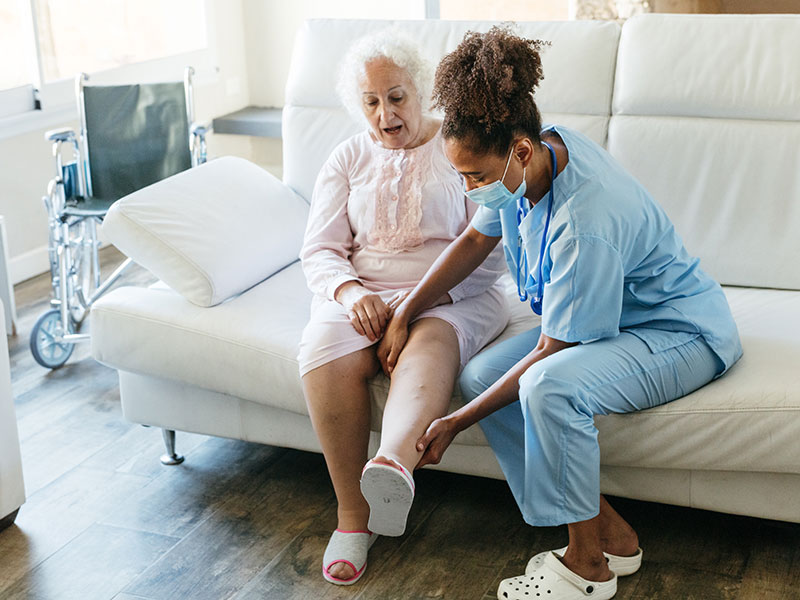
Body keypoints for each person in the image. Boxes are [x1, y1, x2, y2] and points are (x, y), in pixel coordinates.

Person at [378, 26, 742, 600]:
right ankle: (611, 534)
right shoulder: (533, 160)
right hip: (618, 321)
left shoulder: (586, 222)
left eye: (476, 177)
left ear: (520, 151)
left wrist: (454, 422)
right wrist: (407, 310)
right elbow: (475, 242)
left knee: (547, 386)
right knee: (478, 375)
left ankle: (587, 565)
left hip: (679, 332)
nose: (471, 189)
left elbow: (555, 351)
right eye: (462, 176)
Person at [298, 30, 509, 586]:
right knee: (323, 348)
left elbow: (490, 251)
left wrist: (411, 309)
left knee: (430, 342)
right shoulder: (347, 156)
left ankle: (392, 465)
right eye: (370, 102)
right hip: (364, 291)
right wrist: (350, 293)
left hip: (454, 293)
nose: (384, 114)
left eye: (396, 97)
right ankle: (352, 517)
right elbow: (319, 250)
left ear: (421, 92)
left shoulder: (460, 149)